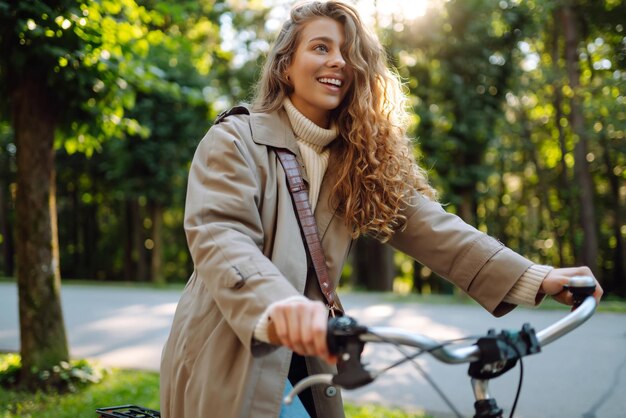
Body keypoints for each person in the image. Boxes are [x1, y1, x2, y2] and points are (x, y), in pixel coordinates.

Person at [159, 2, 603, 417]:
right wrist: (280, 305)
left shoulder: (357, 158)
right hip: (233, 346)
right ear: (285, 66)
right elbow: (222, 236)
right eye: (320, 47)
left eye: (348, 53)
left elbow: (433, 227)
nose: (338, 61)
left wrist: (535, 276)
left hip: (311, 357)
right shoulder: (236, 140)